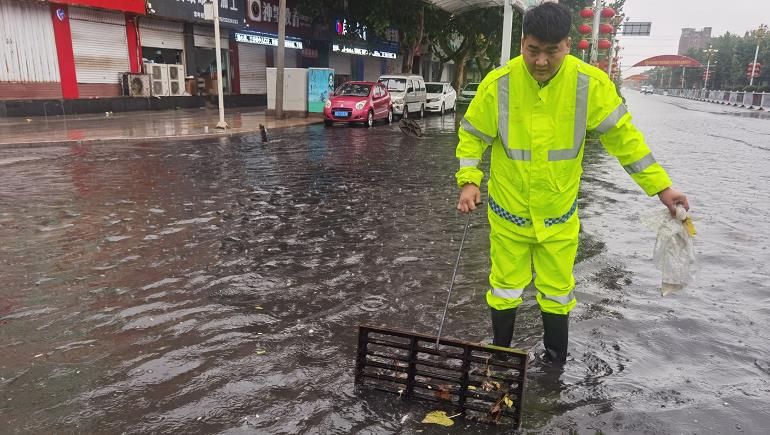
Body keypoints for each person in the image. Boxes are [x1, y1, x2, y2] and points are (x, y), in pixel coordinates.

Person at [455, 3, 689, 366]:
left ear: (568, 44)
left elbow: (625, 141)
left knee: (558, 292)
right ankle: (501, 359)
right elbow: (472, 137)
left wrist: (662, 188)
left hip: (558, 216)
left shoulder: (590, 85)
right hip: (508, 213)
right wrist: (469, 180)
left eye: (552, 51)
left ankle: (554, 363)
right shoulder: (498, 85)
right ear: (522, 44)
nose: (542, 61)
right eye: (533, 51)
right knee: (503, 288)